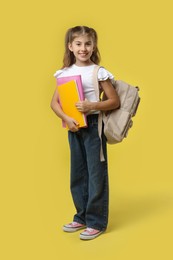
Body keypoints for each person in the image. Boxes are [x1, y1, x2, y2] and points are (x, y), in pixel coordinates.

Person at [51, 26, 120, 240]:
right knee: (78, 174)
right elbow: (54, 103)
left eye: (88, 44)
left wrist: (92, 106)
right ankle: (81, 217)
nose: (83, 48)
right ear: (70, 47)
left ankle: (96, 222)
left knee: (96, 174)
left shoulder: (98, 72)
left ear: (93, 46)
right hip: (73, 126)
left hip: (93, 127)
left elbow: (114, 101)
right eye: (78, 44)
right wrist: (66, 118)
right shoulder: (64, 73)